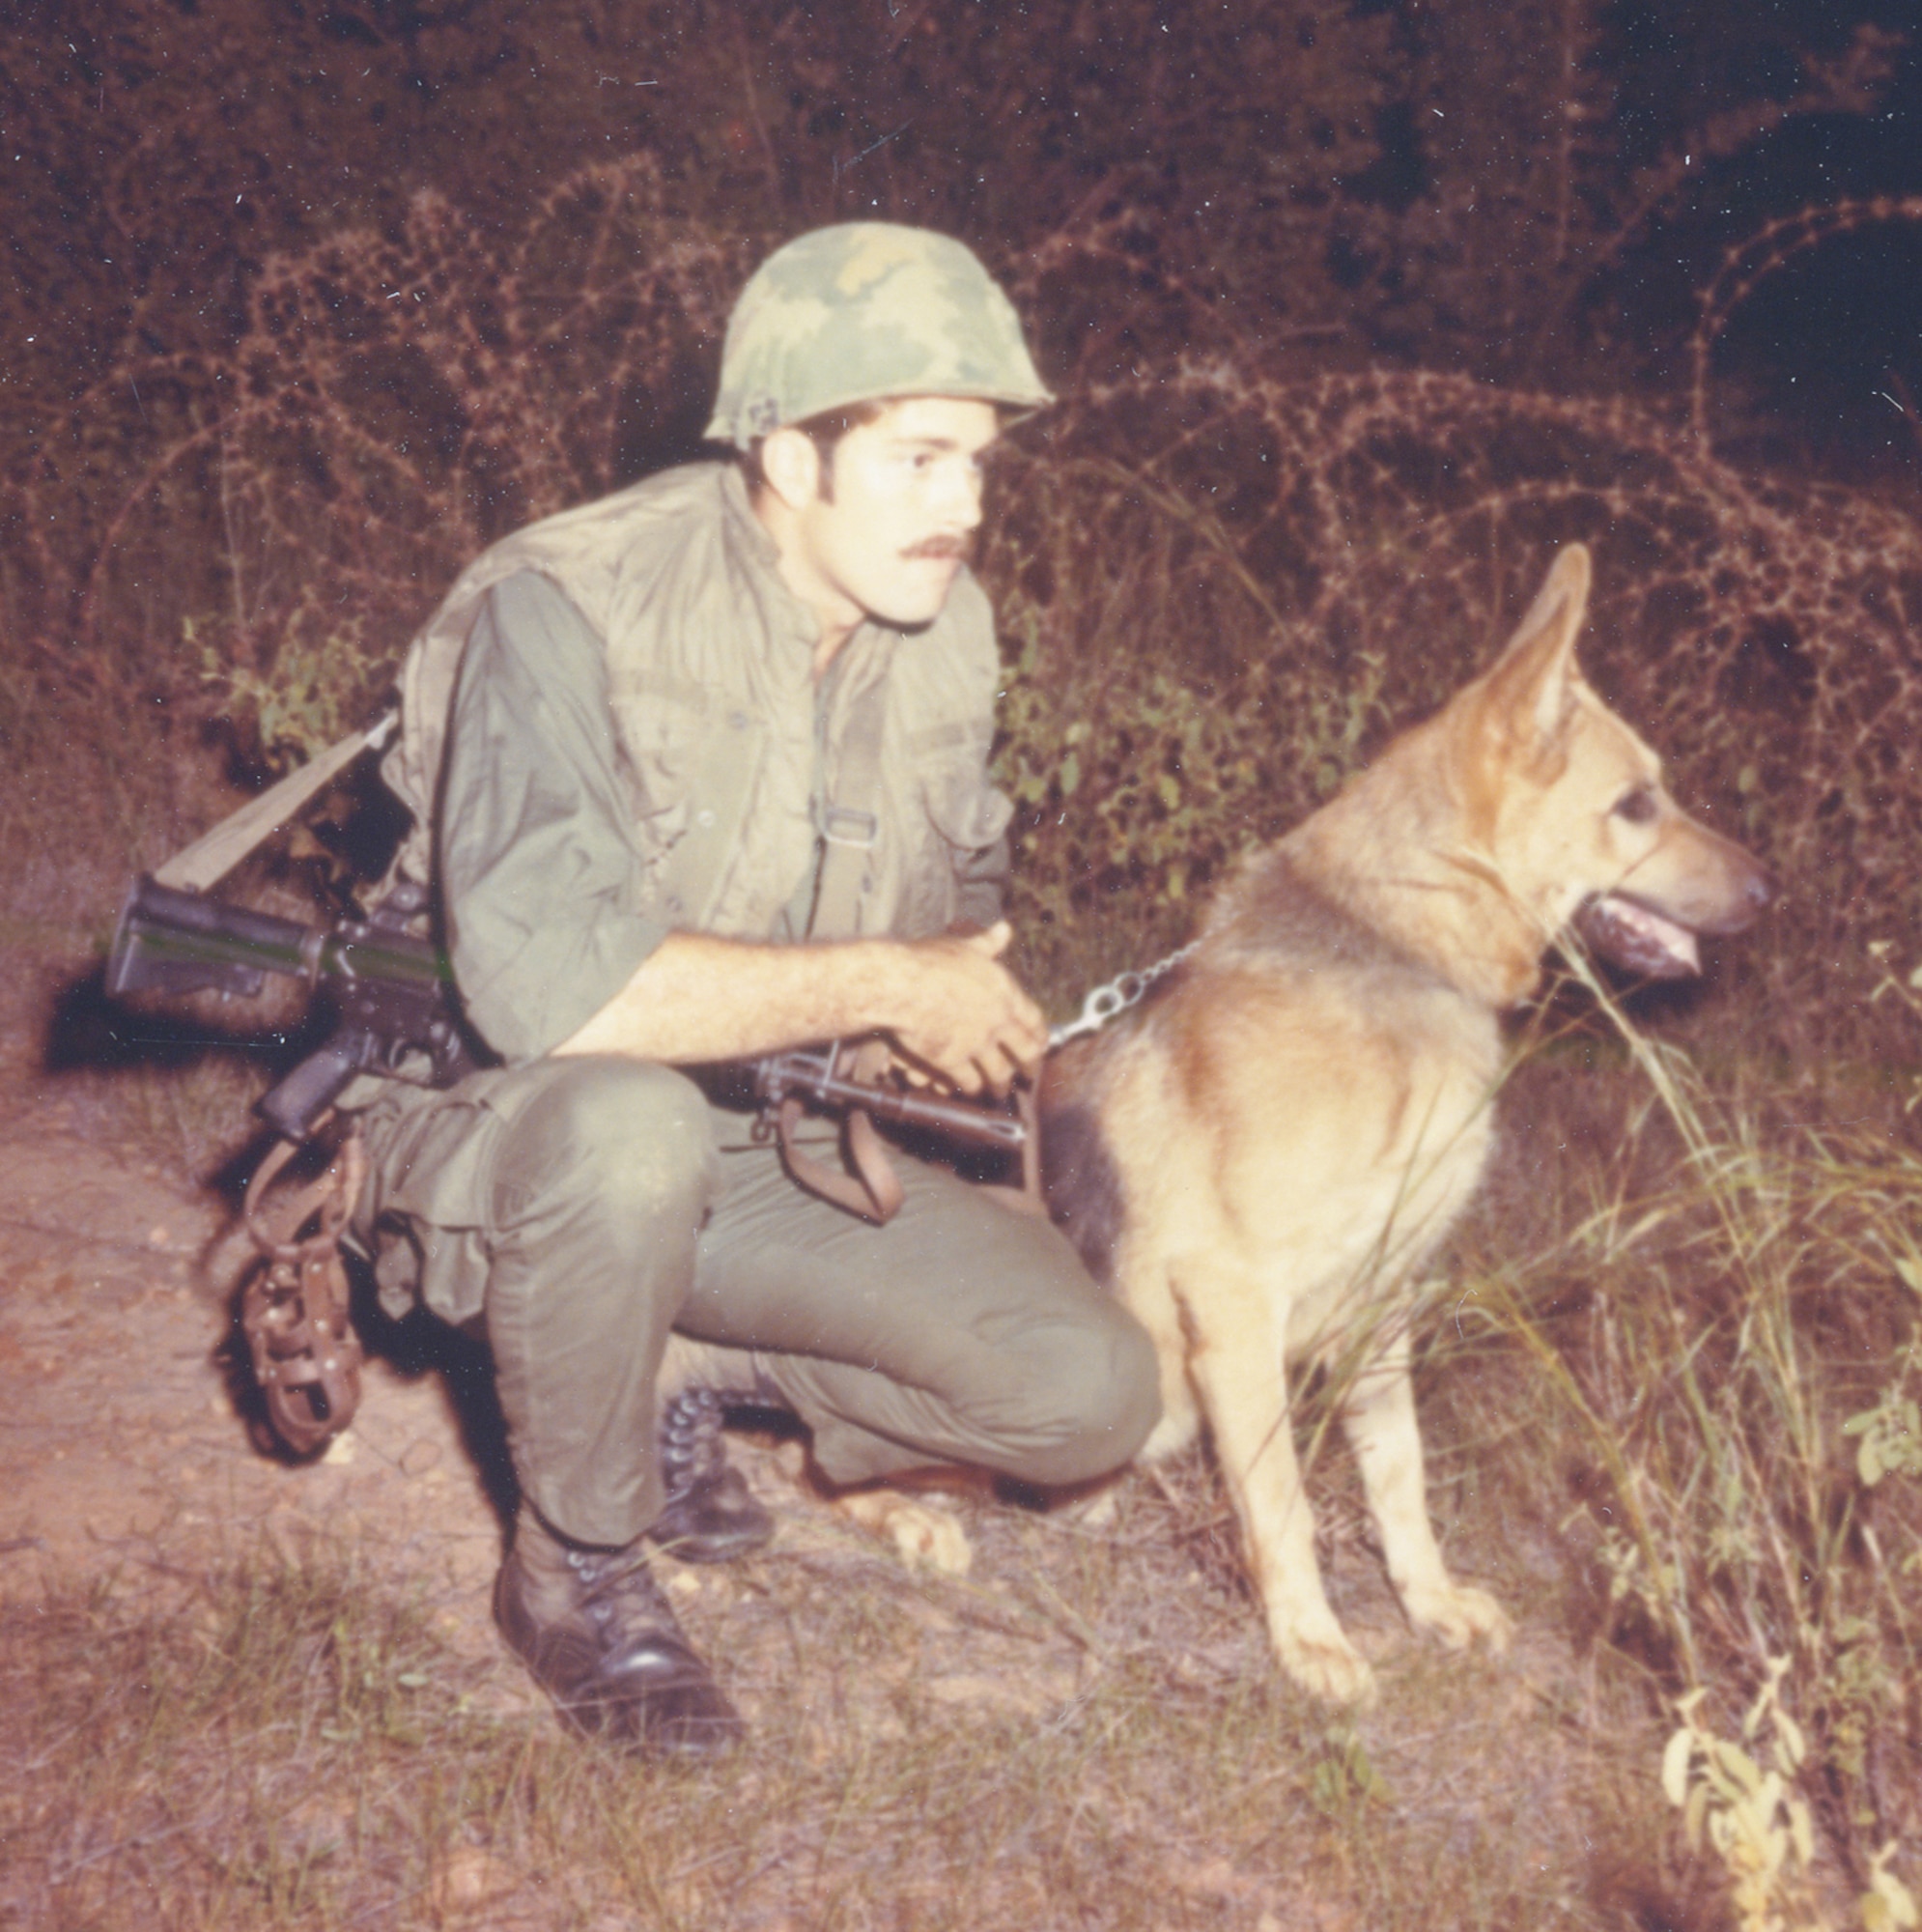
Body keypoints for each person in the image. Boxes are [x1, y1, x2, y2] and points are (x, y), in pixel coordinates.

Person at [347, 223, 1160, 1758]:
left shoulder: (941, 630)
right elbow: (552, 998)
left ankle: (658, 1357)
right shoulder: (571, 605)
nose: (966, 508)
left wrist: (944, 1011)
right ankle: (574, 1565)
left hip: (762, 1151)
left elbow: (945, 912)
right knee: (623, 1131)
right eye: (921, 460)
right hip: (503, 1128)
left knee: (1089, 1392)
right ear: (791, 458)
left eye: (980, 464)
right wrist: (874, 978)